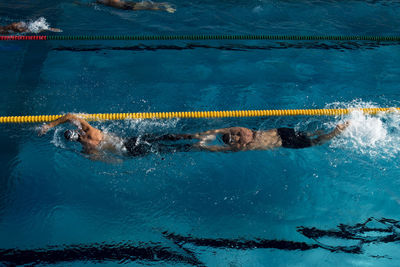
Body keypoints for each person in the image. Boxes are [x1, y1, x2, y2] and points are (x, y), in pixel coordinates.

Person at [38, 113, 350, 159]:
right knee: (314, 139)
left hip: (131, 147)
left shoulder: (88, 137)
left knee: (175, 142)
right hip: (131, 150)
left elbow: (219, 138)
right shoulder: (87, 148)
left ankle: (334, 133)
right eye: (76, 137)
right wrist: (203, 143)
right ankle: (335, 133)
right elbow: (219, 140)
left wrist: (202, 140)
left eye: (76, 135)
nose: (79, 136)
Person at [96, 0, 176, 13]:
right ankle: (164, 5)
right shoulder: (100, 1)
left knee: (148, 7)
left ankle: (166, 8)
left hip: (126, 6)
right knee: (148, 6)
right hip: (125, 4)